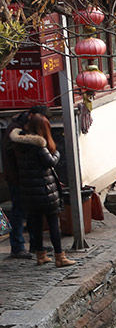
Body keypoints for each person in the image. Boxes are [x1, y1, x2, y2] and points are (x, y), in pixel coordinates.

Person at [10, 112, 75, 267]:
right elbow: (50, 162)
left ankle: (41, 256)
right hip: (44, 191)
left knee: (36, 224)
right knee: (53, 224)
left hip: (29, 192)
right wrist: (57, 153)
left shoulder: (20, 144)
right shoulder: (39, 146)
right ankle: (60, 257)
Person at [2, 104, 49, 260]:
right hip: (17, 177)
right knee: (19, 211)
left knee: (32, 211)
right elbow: (13, 156)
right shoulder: (15, 131)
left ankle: (36, 244)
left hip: (26, 177)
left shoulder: (24, 127)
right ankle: (17, 246)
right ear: (31, 116)